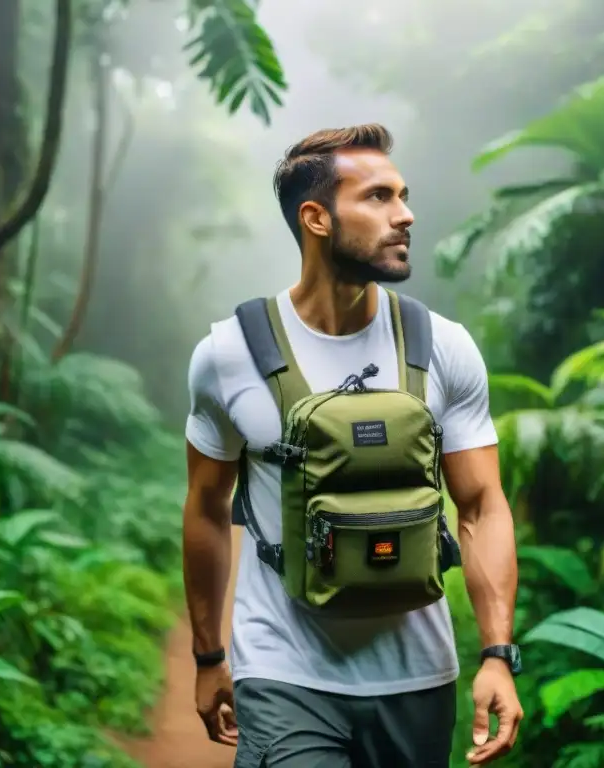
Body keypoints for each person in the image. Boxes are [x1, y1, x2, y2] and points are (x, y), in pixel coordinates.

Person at [182, 123, 522, 767]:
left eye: (403, 195)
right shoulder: (227, 355)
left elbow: (481, 508)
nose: (405, 215)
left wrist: (499, 655)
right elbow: (205, 508)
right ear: (315, 217)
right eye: (378, 197)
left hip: (418, 676)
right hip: (284, 670)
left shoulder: (443, 345)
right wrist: (208, 657)